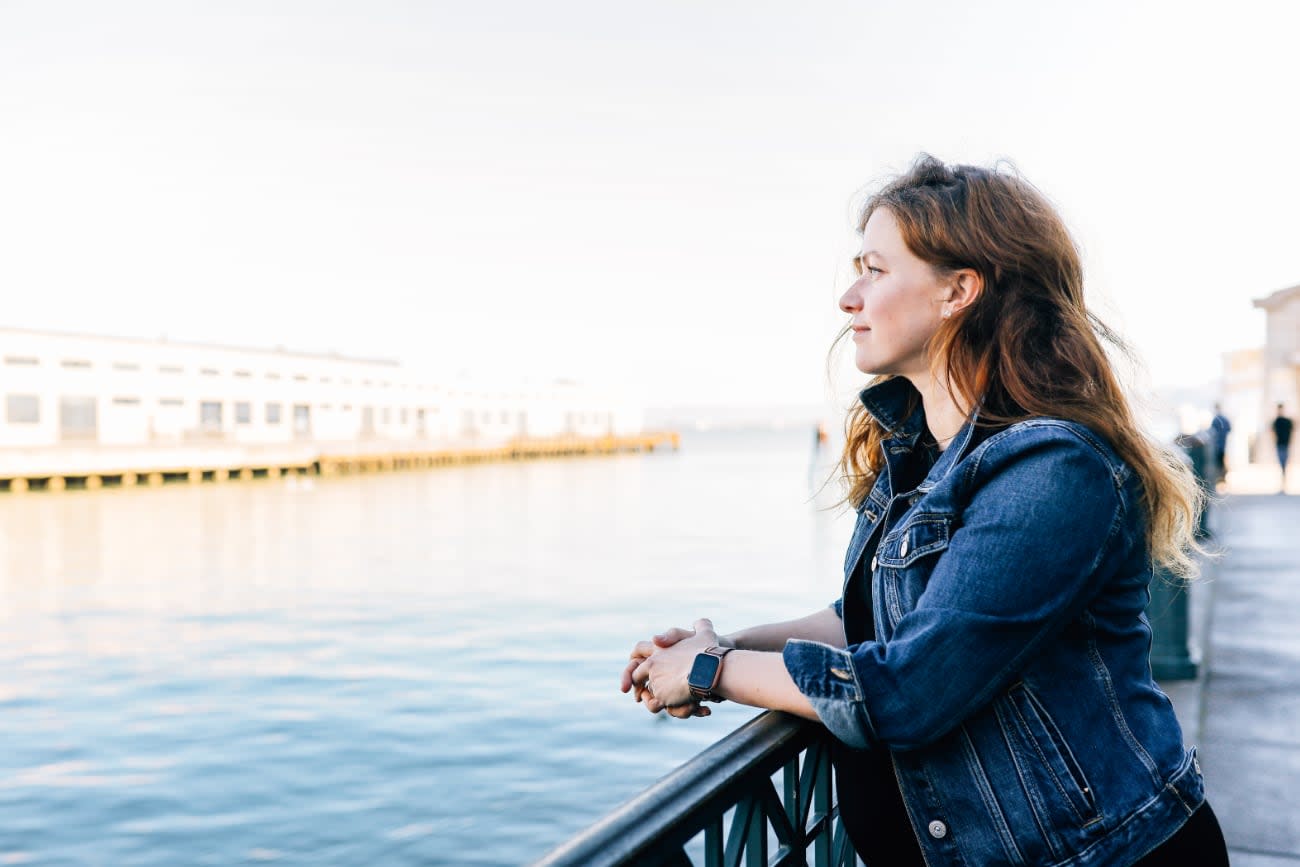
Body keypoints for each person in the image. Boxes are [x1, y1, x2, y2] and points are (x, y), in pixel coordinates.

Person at [619, 156, 1228, 866]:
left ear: (958, 290)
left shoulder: (1056, 470)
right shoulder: (916, 457)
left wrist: (712, 673)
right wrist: (721, 645)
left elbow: (910, 689)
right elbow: (865, 621)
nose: (849, 297)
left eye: (875, 270)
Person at [1274, 403, 1294, 492]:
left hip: (1285, 445)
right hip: (1279, 444)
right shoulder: (1276, 421)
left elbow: (1292, 430)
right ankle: (1283, 482)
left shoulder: (1287, 421)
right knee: (1282, 464)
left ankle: (1284, 482)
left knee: (1284, 464)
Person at [1210, 404, 1231, 485]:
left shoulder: (1215, 420)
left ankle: (1220, 479)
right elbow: (1229, 429)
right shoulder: (1225, 419)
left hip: (1217, 445)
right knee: (1222, 462)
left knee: (1218, 463)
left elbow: (1212, 432)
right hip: (1223, 444)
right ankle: (1223, 478)